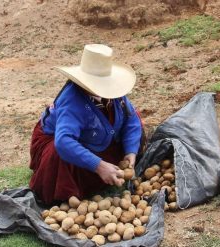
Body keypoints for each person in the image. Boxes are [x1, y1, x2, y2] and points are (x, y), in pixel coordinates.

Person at [29, 44, 143, 205]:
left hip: (96, 136)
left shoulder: (114, 92)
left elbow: (130, 119)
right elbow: (63, 141)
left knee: (136, 122)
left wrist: (131, 151)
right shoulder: (72, 101)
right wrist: (99, 166)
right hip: (58, 140)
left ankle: (104, 169)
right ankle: (72, 190)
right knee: (58, 153)